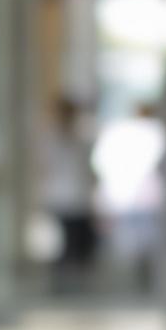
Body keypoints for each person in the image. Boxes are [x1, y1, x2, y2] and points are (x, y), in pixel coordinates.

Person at [40, 94, 98, 285]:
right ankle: (64, 277)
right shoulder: (51, 137)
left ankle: (73, 276)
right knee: (65, 241)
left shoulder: (81, 137)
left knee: (77, 240)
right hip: (62, 195)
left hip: (76, 195)